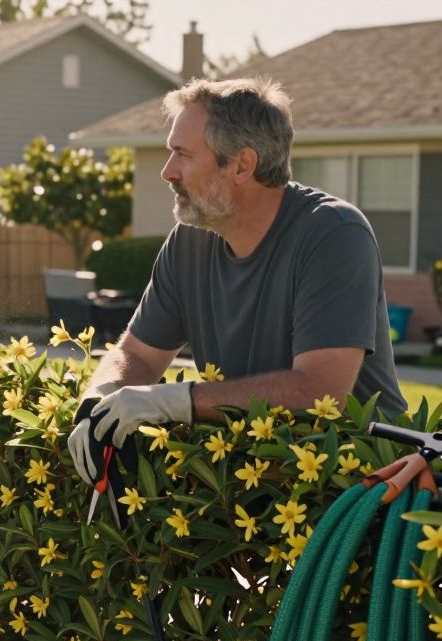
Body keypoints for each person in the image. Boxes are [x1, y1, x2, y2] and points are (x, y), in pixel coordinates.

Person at [69, 77, 406, 484]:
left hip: (356, 491)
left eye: (183, 154)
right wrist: (99, 399)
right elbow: (137, 356)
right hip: (248, 488)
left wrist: (171, 399)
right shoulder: (190, 240)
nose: (167, 172)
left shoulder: (334, 233)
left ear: (242, 164)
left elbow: (321, 391)